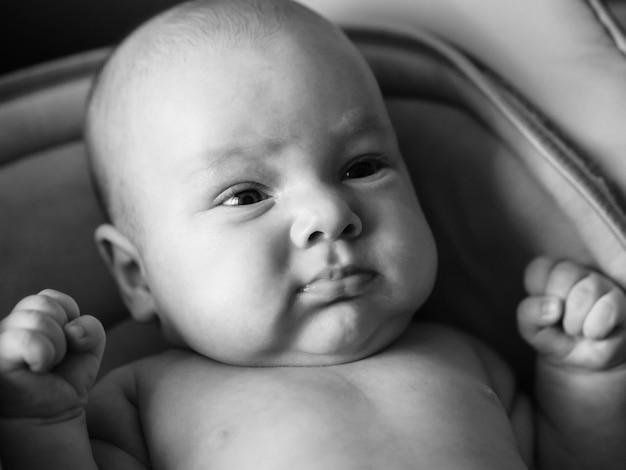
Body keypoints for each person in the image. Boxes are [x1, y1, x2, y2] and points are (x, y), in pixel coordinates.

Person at [0, 0, 625, 468]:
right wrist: (42, 421)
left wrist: (584, 377)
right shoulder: (141, 400)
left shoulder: (468, 358)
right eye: (245, 195)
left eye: (362, 167)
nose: (329, 212)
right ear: (138, 276)